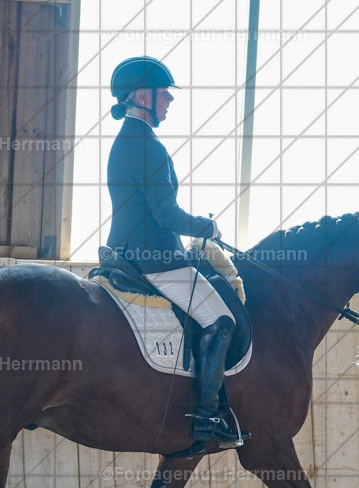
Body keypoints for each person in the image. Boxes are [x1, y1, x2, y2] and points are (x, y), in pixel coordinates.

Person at [105, 56, 246, 447]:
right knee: (220, 320)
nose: (169, 99)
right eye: (164, 93)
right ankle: (206, 420)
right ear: (143, 95)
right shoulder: (145, 145)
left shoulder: (129, 140)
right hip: (156, 260)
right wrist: (208, 226)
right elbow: (166, 215)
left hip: (129, 252)